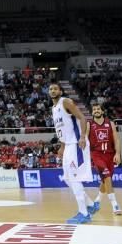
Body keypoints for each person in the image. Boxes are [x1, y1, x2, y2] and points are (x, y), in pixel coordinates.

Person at [50, 82, 96, 224]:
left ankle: (84, 213)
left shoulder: (66, 102)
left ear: (60, 91)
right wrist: (62, 146)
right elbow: (63, 129)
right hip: (68, 144)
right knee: (68, 178)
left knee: (74, 178)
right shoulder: (54, 108)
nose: (52, 91)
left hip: (76, 143)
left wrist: (82, 136)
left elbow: (82, 118)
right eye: (50, 89)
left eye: (55, 88)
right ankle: (90, 204)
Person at [88, 102, 122, 215]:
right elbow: (85, 139)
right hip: (97, 155)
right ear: (92, 112)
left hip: (109, 154)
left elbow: (116, 140)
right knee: (107, 177)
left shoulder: (110, 123)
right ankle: (115, 204)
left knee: (105, 180)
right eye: (94, 109)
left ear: (102, 111)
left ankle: (97, 200)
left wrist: (117, 154)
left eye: (98, 109)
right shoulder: (89, 124)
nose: (96, 111)